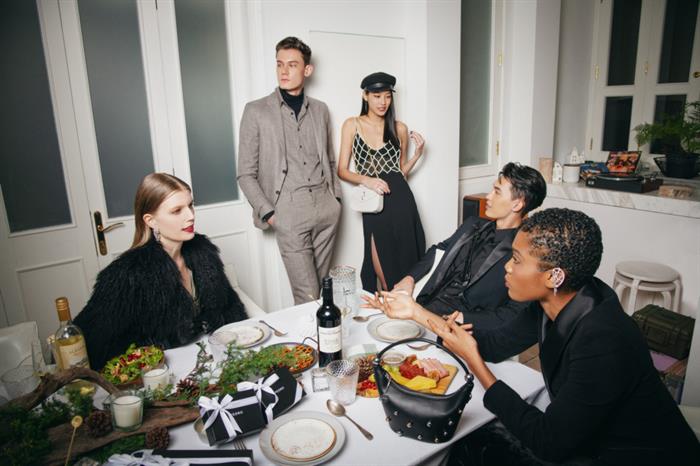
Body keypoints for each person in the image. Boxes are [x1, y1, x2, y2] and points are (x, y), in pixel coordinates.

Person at [377, 208, 700, 465]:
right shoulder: (551, 303)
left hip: (634, 457)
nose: (507, 267)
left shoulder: (603, 338)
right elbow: (495, 345)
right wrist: (417, 313)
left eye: (516, 260)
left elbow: (550, 443)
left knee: (470, 447)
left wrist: (475, 363)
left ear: (555, 276)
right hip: (585, 440)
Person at [75, 173, 247, 370]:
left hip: (213, 360)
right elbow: (95, 345)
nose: (190, 216)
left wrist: (214, 323)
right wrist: (168, 340)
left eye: (190, 205)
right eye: (177, 211)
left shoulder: (203, 252)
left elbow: (231, 308)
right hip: (162, 373)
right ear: (151, 221)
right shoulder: (127, 275)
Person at [365, 162, 546, 330]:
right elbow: (439, 249)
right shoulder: (473, 224)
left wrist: (460, 319)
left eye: (497, 192)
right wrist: (409, 278)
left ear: (517, 204)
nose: (488, 197)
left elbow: (510, 313)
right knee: (369, 319)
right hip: (425, 304)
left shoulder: (522, 253)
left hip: (458, 326)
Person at [237, 36, 342, 305]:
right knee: (307, 296)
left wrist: (336, 201)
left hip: (326, 208)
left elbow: (330, 160)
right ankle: (310, 334)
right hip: (288, 212)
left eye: (292, 65)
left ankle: (320, 335)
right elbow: (245, 173)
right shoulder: (256, 111)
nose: (283, 71)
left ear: (307, 70)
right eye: (279, 64)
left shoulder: (320, 110)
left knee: (322, 292)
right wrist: (270, 214)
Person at [338, 71, 426, 293]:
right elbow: (341, 170)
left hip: (402, 201)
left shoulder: (399, 128)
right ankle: (385, 309)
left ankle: (404, 310)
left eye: (387, 96)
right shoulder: (352, 125)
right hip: (375, 205)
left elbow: (400, 172)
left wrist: (417, 155)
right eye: (377, 96)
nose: (383, 102)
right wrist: (367, 180)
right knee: (383, 272)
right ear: (365, 96)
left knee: (407, 268)